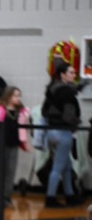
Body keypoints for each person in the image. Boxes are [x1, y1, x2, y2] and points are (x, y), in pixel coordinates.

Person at [41, 62, 82, 208]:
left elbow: (44, 111)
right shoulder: (66, 92)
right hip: (63, 132)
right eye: (71, 72)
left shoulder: (52, 89)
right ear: (62, 75)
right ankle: (50, 197)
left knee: (66, 166)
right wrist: (77, 122)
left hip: (51, 132)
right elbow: (68, 115)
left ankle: (69, 195)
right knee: (58, 167)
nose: (74, 75)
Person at [0, 86, 30, 205]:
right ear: (8, 96)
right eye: (15, 95)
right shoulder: (0, 110)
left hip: (14, 143)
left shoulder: (21, 111)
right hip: (1, 143)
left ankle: (6, 196)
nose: (18, 98)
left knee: (10, 171)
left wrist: (24, 140)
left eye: (19, 96)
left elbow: (23, 127)